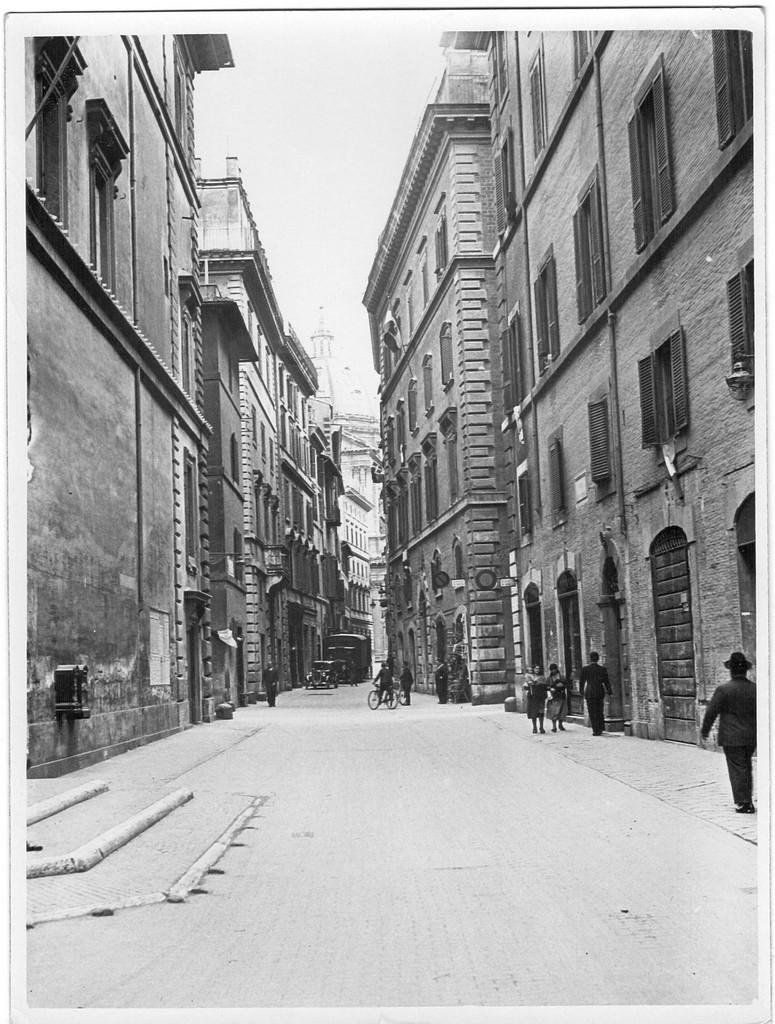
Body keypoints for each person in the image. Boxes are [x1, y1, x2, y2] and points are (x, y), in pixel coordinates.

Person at [700, 652, 757, 813]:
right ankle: (747, 800)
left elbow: (711, 712)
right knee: (745, 766)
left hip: (731, 737)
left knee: (737, 768)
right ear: (745, 670)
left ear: (731, 670)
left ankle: (743, 803)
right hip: (751, 737)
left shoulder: (724, 689)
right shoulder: (755, 689)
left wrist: (705, 731)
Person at [580, 651, 611, 735]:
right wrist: (609, 690)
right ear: (598, 659)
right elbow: (606, 681)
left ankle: (595, 730)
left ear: (590, 659)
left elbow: (582, 681)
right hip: (599, 691)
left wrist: (581, 691)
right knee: (599, 710)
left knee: (592, 711)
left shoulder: (585, 669)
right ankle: (600, 728)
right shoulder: (602, 669)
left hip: (589, 692)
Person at [523, 665, 549, 734]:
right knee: (533, 712)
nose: (537, 670)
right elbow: (525, 686)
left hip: (540, 696)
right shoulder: (530, 677)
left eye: (539, 668)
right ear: (533, 669)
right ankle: (534, 727)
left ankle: (541, 727)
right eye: (536, 668)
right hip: (532, 696)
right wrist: (527, 685)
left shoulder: (543, 677)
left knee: (541, 712)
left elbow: (546, 686)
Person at [546, 663, 568, 732]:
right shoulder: (549, 678)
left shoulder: (561, 676)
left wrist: (562, 686)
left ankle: (560, 725)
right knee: (554, 711)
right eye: (552, 670)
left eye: (554, 669)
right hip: (553, 697)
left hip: (561, 695)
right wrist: (550, 689)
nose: (553, 671)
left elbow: (566, 684)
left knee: (561, 711)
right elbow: (546, 686)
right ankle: (554, 726)